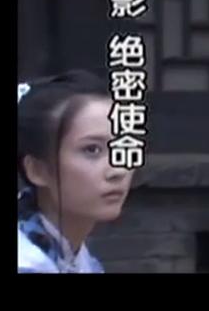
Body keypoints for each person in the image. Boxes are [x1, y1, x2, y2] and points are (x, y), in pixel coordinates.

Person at [17, 70, 134, 273]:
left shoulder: (72, 252)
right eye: (92, 150)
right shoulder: (27, 261)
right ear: (37, 169)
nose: (118, 170)